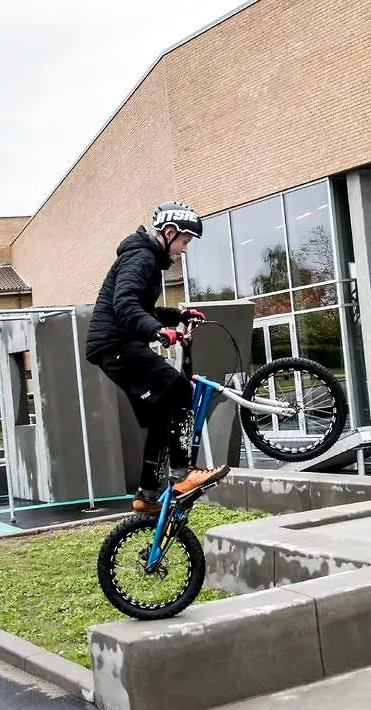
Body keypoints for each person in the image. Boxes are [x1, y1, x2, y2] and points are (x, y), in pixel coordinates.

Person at [85, 201, 229, 514]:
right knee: (179, 389)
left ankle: (147, 493)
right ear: (169, 232)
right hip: (117, 345)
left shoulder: (145, 257)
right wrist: (158, 332)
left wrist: (178, 316)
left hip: (115, 346)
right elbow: (125, 305)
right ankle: (184, 473)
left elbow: (143, 309)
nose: (185, 249)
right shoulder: (141, 257)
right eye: (184, 241)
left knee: (160, 416)